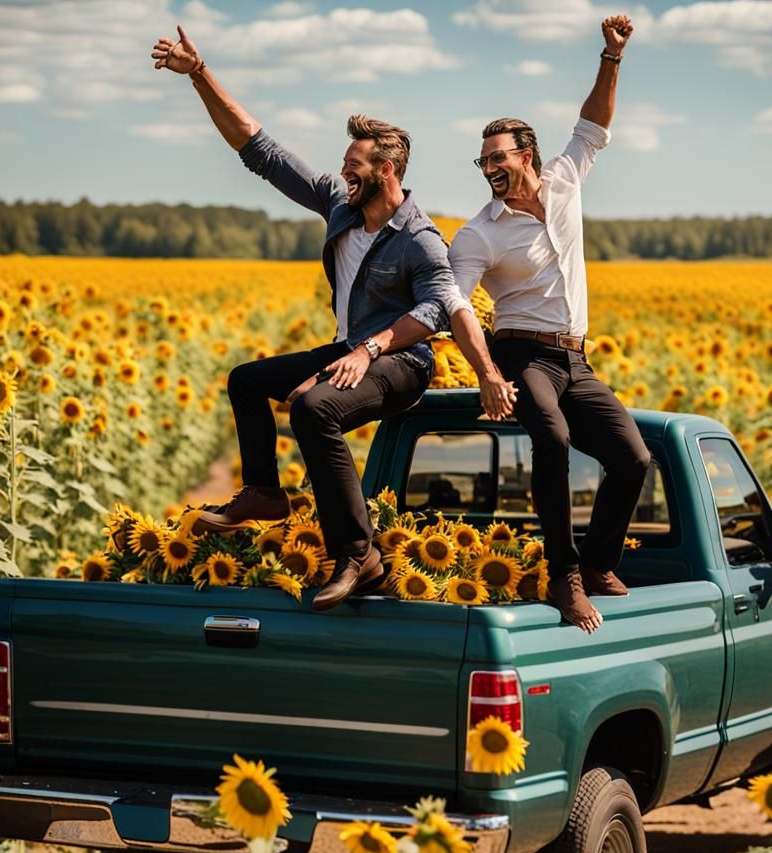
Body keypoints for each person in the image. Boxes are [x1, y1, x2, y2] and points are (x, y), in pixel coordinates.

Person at [150, 25, 513, 611]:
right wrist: (199, 74)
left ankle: (357, 555)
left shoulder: (420, 239)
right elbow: (260, 150)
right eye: (344, 163)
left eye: (355, 164)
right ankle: (265, 492)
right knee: (247, 380)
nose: (344, 172)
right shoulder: (342, 204)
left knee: (314, 407)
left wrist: (480, 372)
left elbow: (441, 309)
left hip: (402, 362)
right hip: (349, 348)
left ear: (387, 171)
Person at [447, 14, 650, 635]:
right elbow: (456, 303)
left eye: (497, 158)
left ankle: (596, 565)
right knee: (554, 441)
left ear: (525, 155)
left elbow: (594, 125)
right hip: (521, 356)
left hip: (575, 359)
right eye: (482, 162)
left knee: (634, 458)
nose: (489, 169)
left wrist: (610, 56)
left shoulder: (564, 179)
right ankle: (564, 577)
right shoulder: (480, 231)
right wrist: (485, 373)